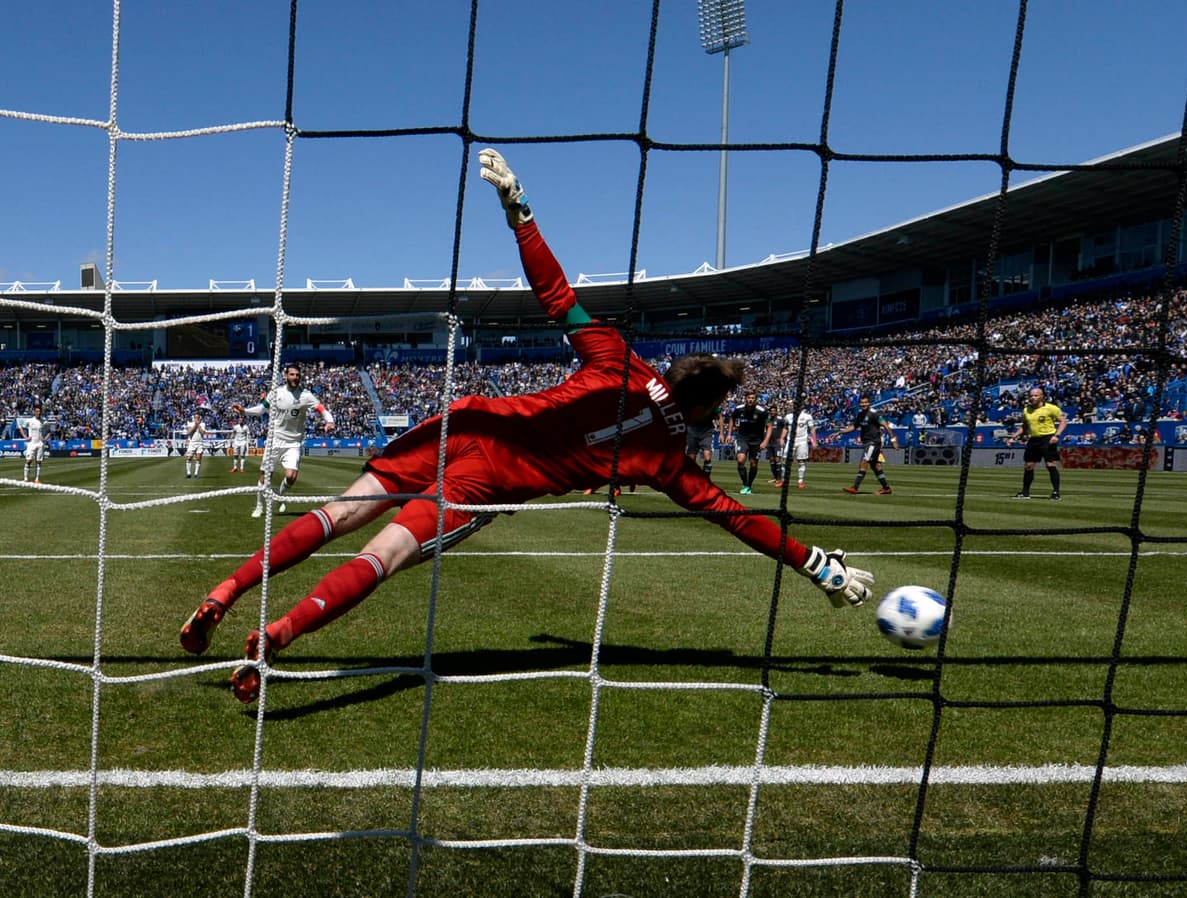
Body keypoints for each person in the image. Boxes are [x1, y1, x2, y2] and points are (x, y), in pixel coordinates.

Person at [179, 149, 874, 704]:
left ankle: (225, 591)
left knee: (339, 513)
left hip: (466, 424)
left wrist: (520, 211)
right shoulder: (666, 459)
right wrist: (816, 565)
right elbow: (735, 518)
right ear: (699, 408)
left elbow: (556, 295)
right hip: (489, 479)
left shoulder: (618, 357)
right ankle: (279, 635)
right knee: (383, 555)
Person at [232, 363, 336, 517]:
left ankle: (280, 496)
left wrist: (330, 421)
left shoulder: (305, 395)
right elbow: (262, 409)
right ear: (286, 376)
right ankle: (259, 506)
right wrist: (244, 411)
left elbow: (322, 409)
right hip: (274, 439)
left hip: (293, 442)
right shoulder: (276, 393)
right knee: (265, 476)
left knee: (291, 476)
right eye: (292, 374)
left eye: (298, 375)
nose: (295, 378)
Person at [1007, 386, 1066, 500]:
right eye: (1031, 395)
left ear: (1042, 396)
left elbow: (1063, 422)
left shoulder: (1051, 408)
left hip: (1048, 438)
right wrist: (1013, 437)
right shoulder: (1026, 410)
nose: (1032, 398)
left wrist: (1056, 435)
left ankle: (1055, 492)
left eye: (1035, 395)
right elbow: (1024, 427)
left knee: (1050, 465)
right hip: (1034, 439)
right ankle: (1025, 492)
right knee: (1028, 466)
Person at [832, 396, 899, 495]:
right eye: (862, 403)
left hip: (873, 442)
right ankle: (886, 488)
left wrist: (893, 440)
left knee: (864, 462)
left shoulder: (874, 414)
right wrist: (840, 432)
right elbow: (854, 427)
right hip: (868, 442)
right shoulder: (860, 414)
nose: (863, 404)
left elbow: (886, 426)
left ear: (869, 403)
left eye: (865, 402)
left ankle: (855, 487)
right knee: (875, 465)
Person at [725, 389, 771, 495]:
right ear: (746, 399)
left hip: (757, 440)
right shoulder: (739, 409)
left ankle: (749, 485)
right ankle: (745, 484)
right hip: (742, 438)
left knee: (753, 464)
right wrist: (729, 434)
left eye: (753, 398)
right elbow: (732, 419)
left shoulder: (762, 411)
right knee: (741, 460)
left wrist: (765, 441)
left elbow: (769, 426)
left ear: (756, 400)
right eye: (749, 398)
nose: (750, 400)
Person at [778, 403, 817, 489]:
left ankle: (800, 481)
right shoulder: (788, 416)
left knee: (801, 461)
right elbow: (785, 428)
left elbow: (812, 429)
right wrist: (781, 438)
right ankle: (783, 481)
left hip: (802, 441)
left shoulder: (807, 416)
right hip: (790, 440)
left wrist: (814, 441)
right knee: (784, 461)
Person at [21, 403, 46, 483]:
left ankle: (37, 479)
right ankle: (25, 478)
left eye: (39, 411)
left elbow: (49, 431)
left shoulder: (43, 421)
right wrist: (25, 437)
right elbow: (21, 427)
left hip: (39, 444)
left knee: (38, 462)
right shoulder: (30, 421)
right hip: (31, 443)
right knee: (29, 460)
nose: (38, 413)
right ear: (34, 412)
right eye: (37, 411)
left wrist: (44, 438)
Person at [764, 405, 787, 486]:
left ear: (776, 411)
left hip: (777, 443)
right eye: (771, 411)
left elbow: (786, 427)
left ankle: (779, 478)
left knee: (777, 460)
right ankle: (775, 477)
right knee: (771, 460)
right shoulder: (768, 420)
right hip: (769, 442)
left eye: (774, 411)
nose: (772, 412)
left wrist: (782, 438)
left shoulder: (781, 419)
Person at [184, 408, 209, 479]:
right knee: (189, 458)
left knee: (198, 458)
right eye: (195, 417)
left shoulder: (203, 424)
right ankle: (188, 473)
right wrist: (196, 425)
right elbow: (189, 432)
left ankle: (196, 474)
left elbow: (203, 432)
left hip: (200, 443)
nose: (196, 419)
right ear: (194, 418)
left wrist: (198, 425)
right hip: (192, 443)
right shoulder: (190, 423)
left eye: (198, 418)